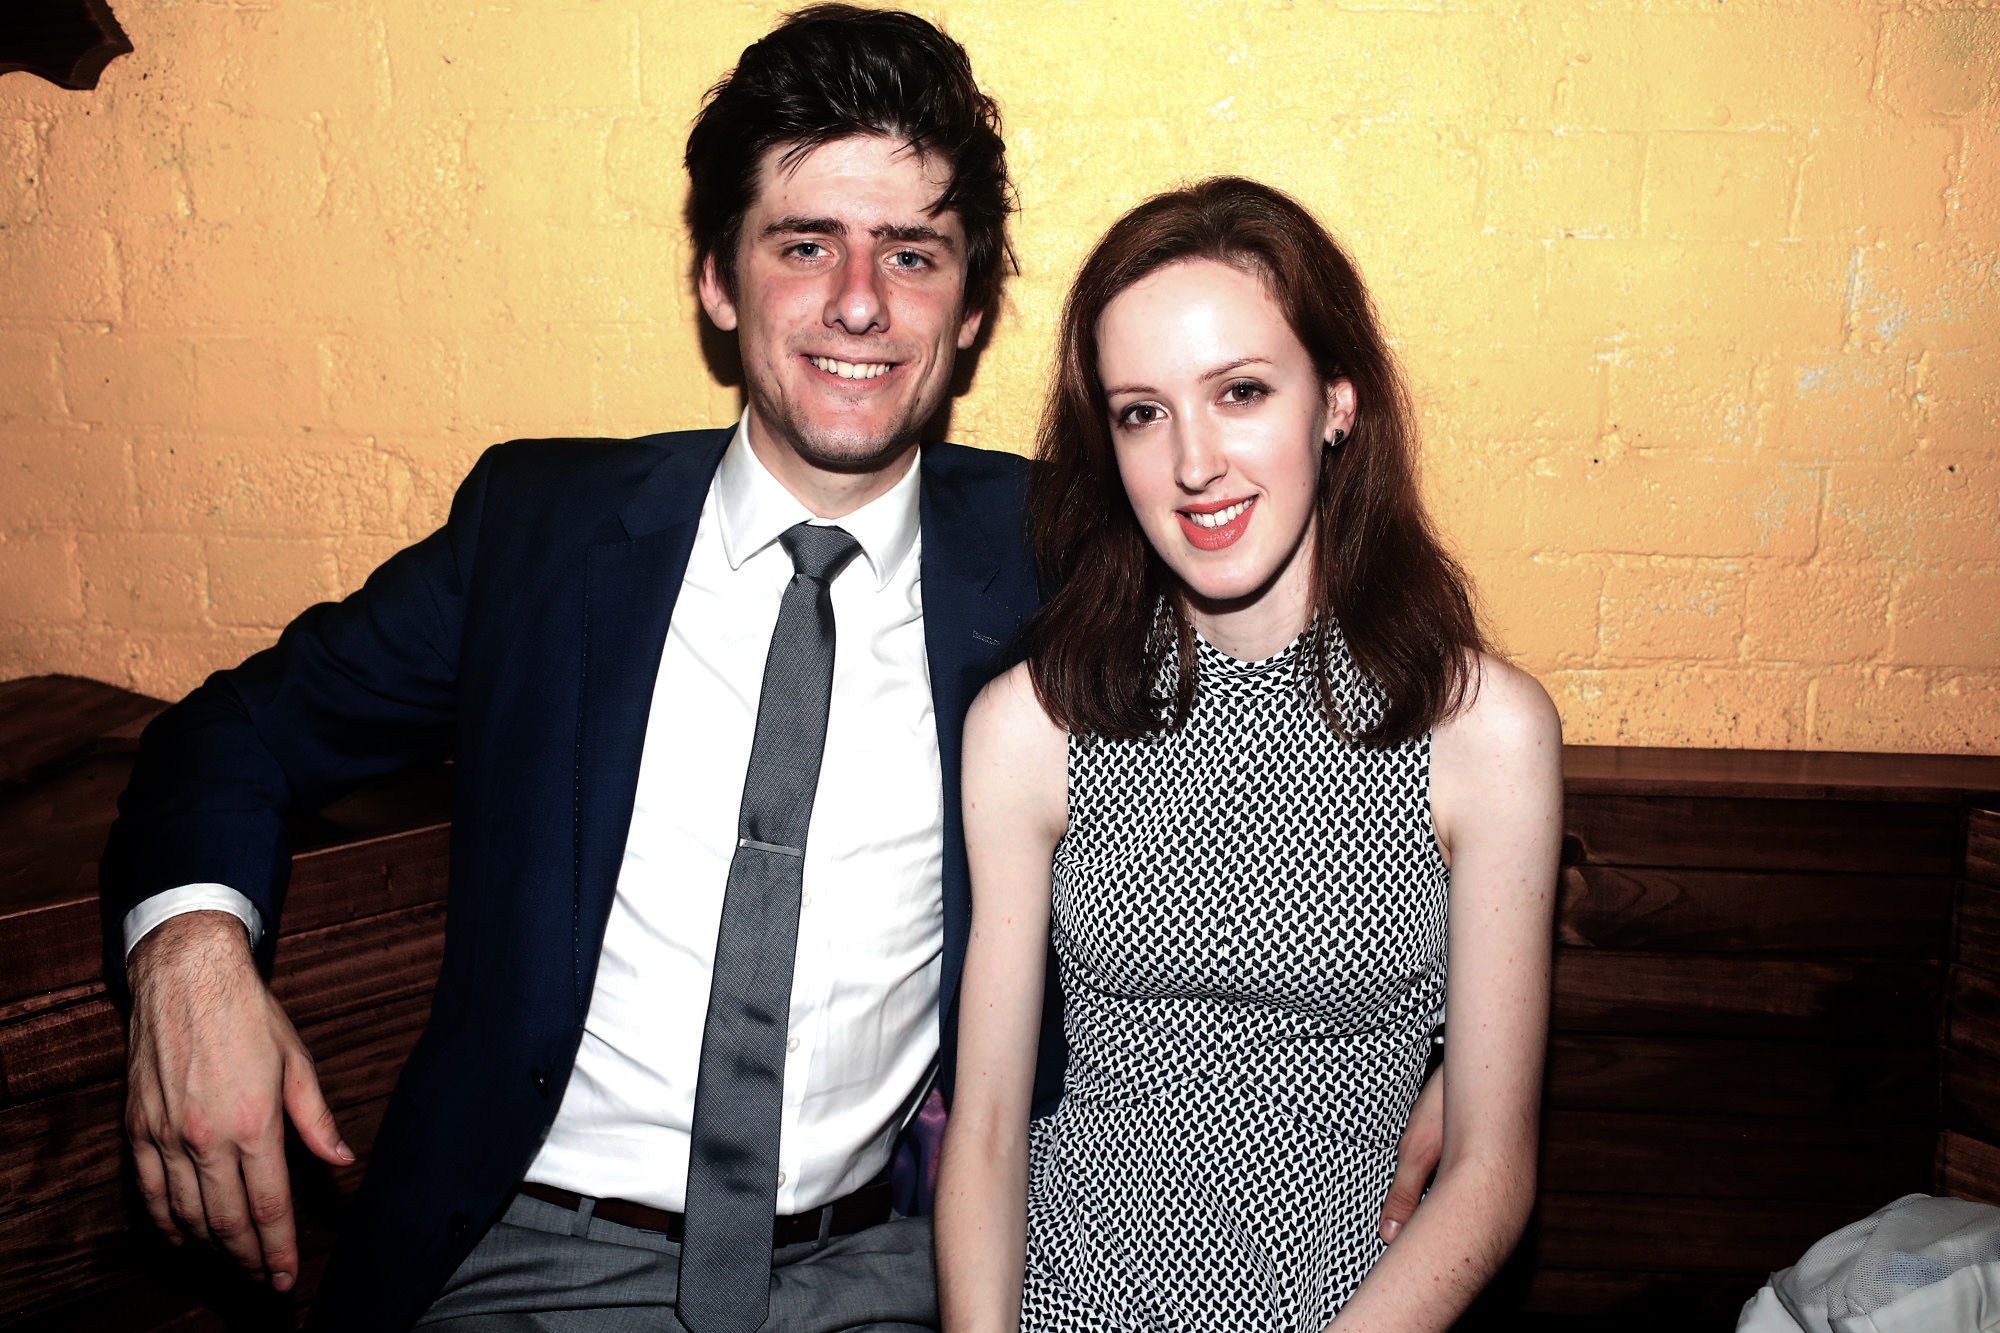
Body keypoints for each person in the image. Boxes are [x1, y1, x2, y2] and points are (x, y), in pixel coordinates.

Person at [99, 9, 1448, 1329]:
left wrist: (1447, 1047)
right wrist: (190, 953)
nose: (859, 301)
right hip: (526, 1260)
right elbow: (237, 732)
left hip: (887, 1272)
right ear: (716, 278)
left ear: (972, 309)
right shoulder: (542, 536)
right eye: (805, 245)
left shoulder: (1062, 550)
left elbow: (1339, 717)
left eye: (912, 254)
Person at [935, 178, 1561, 1332]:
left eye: (1239, 392)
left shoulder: (1484, 734)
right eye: (1140, 412)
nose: (1193, 462)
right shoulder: (1031, 726)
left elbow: (1488, 1169)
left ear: (1335, 401)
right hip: (1066, 1303)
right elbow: (983, 1133)